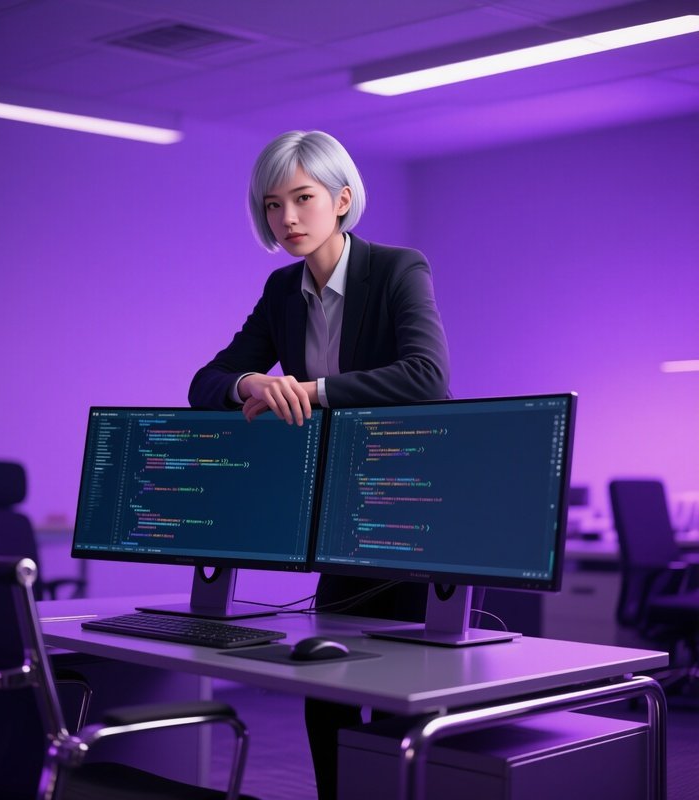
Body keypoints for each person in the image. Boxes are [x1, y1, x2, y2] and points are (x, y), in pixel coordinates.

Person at [189, 130, 451, 800]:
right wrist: (249, 383)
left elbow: (426, 378)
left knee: (408, 695)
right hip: (339, 512)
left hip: (410, 507)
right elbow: (206, 381)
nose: (287, 220)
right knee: (327, 686)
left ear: (341, 200)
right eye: (273, 205)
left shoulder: (397, 268)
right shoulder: (283, 291)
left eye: (302, 199)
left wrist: (312, 391)